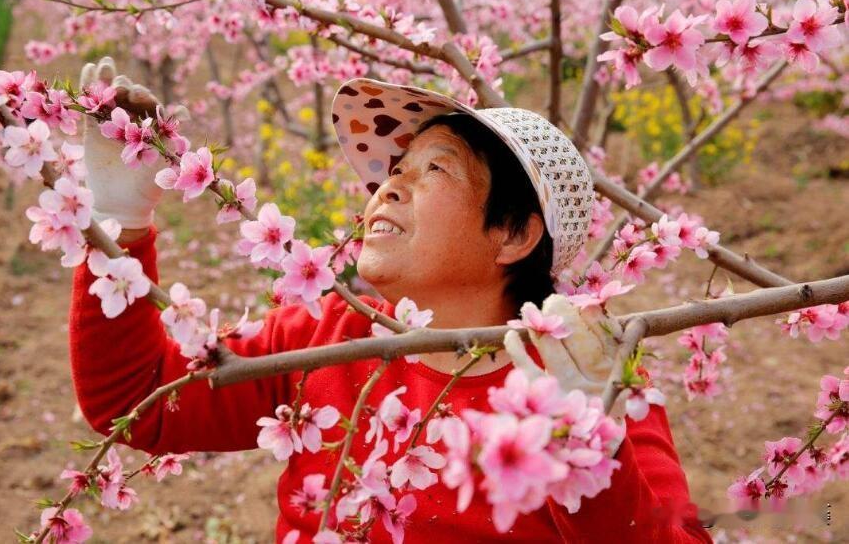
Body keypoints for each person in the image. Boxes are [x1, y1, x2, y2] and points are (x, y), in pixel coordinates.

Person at [69, 58, 712, 543]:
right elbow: (139, 400)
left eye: (434, 169)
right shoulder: (329, 334)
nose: (390, 188)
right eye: (394, 171)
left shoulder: (584, 380)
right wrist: (117, 225)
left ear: (513, 234)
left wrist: (587, 441)